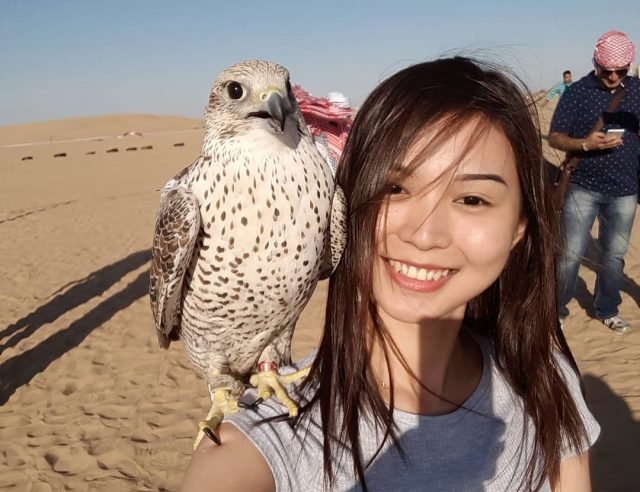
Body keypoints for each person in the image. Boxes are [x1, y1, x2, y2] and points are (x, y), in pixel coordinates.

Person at [182, 57, 600, 491]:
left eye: (472, 199)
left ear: (518, 229)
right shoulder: (266, 439)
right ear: (347, 203)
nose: (425, 234)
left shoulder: (544, 377)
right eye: (394, 189)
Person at [549, 30, 639, 334]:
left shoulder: (637, 91)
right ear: (595, 63)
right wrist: (586, 144)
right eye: (607, 70)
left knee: (613, 256)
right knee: (570, 254)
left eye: (621, 71)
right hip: (583, 187)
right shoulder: (576, 92)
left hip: (625, 190)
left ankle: (607, 309)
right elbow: (556, 136)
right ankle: (555, 312)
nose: (613, 77)